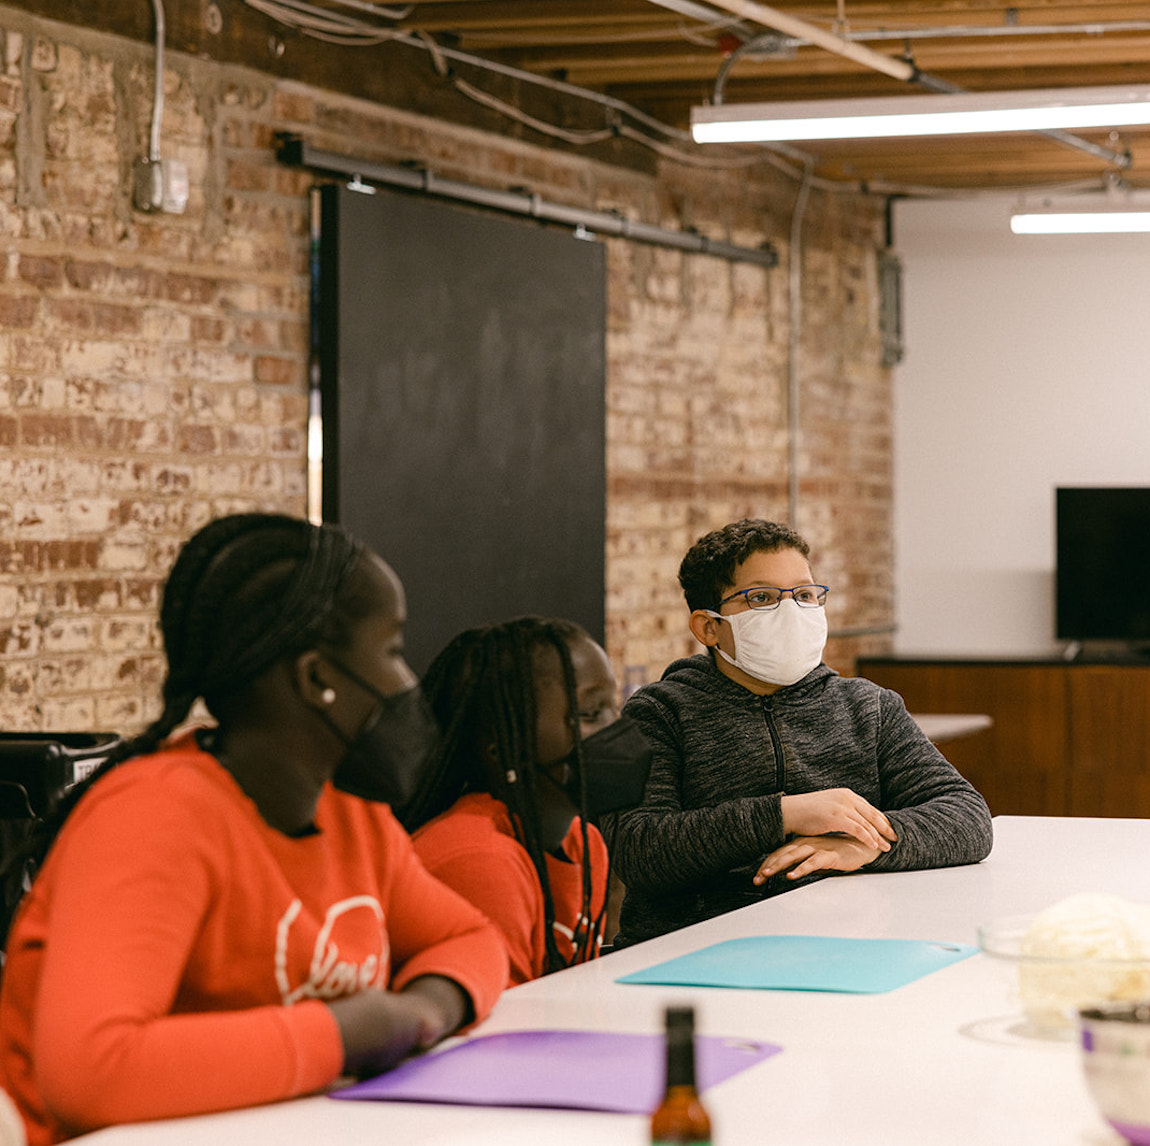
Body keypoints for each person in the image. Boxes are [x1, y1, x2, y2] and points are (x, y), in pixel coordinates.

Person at [0, 513, 508, 1145]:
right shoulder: (155, 816)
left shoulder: (350, 813)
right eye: (393, 650)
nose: (408, 681)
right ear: (317, 677)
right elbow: (89, 1072)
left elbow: (470, 937)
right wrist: (344, 1035)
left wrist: (426, 1011)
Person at [599, 518, 994, 948]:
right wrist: (785, 814)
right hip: (692, 951)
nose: (792, 611)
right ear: (708, 627)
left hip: (841, 944)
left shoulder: (867, 706)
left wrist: (866, 845)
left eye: (805, 594)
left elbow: (967, 816)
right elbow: (640, 851)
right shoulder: (660, 713)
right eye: (763, 598)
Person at [405, 617, 652, 985]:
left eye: (611, 706)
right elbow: (502, 1033)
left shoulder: (584, 844)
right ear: (502, 746)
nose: (615, 727)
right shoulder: (480, 860)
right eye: (589, 714)